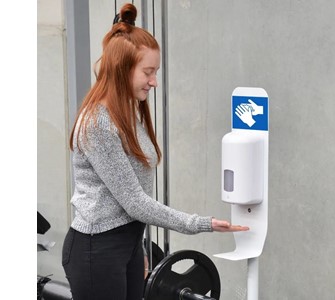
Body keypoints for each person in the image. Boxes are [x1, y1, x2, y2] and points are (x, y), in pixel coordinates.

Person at [61, 3, 249, 300]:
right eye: (147, 72)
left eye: (156, 71)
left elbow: (133, 202)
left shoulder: (132, 111)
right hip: (96, 251)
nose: (154, 81)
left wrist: (138, 246)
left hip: (127, 244)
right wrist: (201, 224)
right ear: (122, 69)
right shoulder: (98, 123)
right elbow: (135, 202)